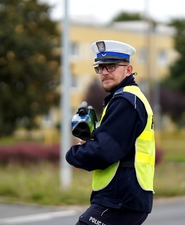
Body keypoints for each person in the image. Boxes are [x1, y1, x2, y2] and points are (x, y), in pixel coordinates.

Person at [66, 40, 155, 225]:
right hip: (123, 198)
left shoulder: (126, 101)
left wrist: (74, 153)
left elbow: (104, 151)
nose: (105, 72)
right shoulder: (125, 99)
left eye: (112, 66)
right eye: (100, 67)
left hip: (118, 200)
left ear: (128, 70)